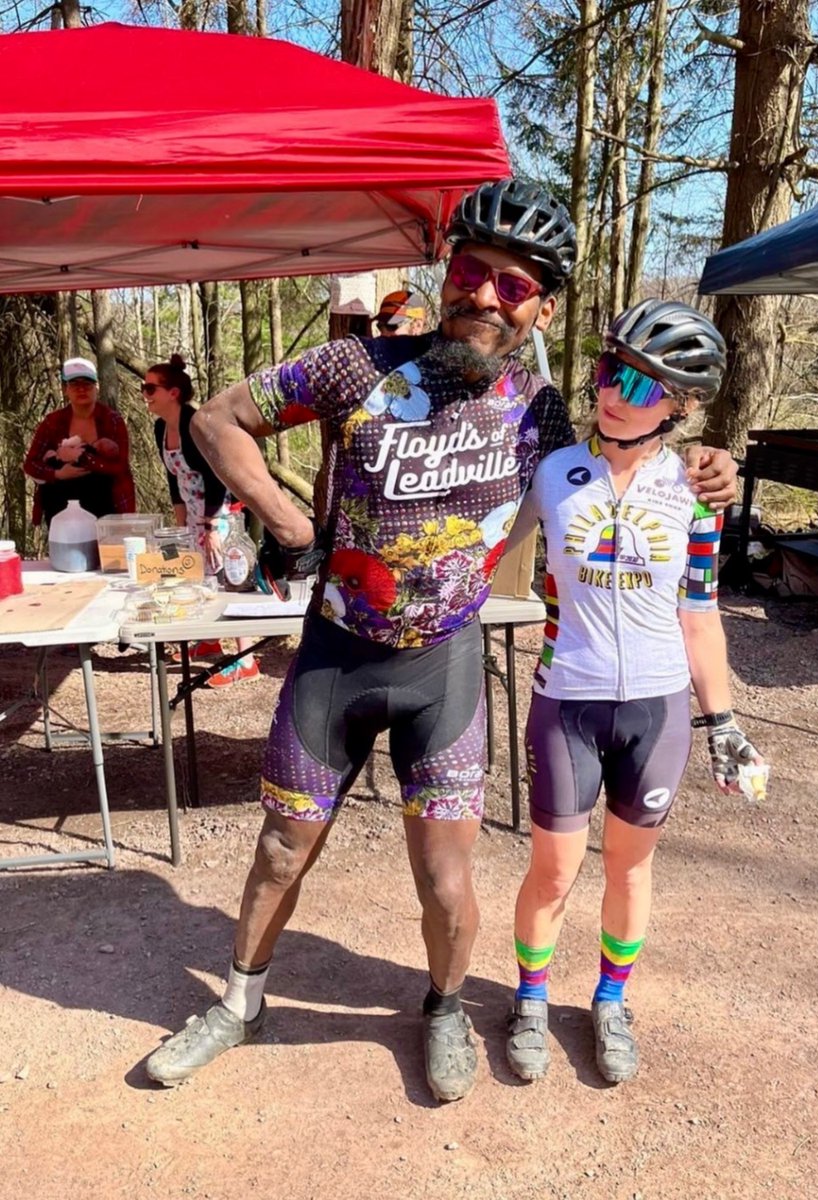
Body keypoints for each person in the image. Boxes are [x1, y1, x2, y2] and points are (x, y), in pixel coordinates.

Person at [143, 179, 739, 1101]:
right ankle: (239, 1004)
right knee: (276, 851)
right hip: (337, 655)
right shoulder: (357, 368)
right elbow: (219, 419)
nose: (485, 294)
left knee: (447, 878)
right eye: (471, 271)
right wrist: (288, 523)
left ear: (541, 306)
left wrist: (713, 465)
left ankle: (446, 1007)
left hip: (445, 667)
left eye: (514, 285)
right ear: (443, 270)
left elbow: (626, 454)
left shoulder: (541, 412)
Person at [501, 300, 765, 1085]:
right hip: (567, 700)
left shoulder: (695, 493)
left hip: (656, 711)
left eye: (643, 386)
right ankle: (530, 999)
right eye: (610, 371)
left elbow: (701, 615)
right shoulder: (552, 471)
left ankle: (611, 1002)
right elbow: (483, 550)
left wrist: (723, 721)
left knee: (629, 869)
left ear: (680, 406)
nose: (615, 393)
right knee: (552, 868)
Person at [144, 354, 259, 687]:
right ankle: (208, 638)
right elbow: (172, 478)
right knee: (198, 575)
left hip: (220, 510)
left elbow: (215, 478)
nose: (146, 394)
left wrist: (210, 527)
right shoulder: (160, 427)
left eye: (151, 388)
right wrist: (181, 529)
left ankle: (245, 659)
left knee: (228, 577)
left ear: (173, 392)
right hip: (193, 514)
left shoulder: (198, 425)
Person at [23, 357, 135, 527]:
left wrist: (81, 457)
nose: (82, 389)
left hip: (106, 506)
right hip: (60, 508)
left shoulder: (112, 420)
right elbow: (30, 464)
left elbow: (120, 467)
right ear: (65, 389)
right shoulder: (52, 422)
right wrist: (58, 474)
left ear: (96, 387)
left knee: (107, 553)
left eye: (87, 384)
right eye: (75, 384)